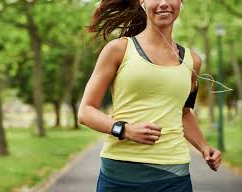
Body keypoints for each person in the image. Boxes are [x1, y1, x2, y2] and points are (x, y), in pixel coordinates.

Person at [78, 0, 222, 191]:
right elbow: (85, 111)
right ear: (143, 2)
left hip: (174, 175)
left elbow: (184, 112)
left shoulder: (192, 61)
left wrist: (204, 147)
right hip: (120, 175)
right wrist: (125, 130)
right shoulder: (119, 49)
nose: (164, 3)